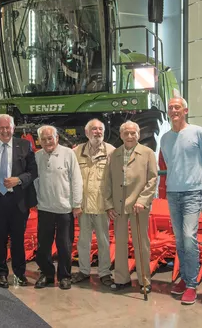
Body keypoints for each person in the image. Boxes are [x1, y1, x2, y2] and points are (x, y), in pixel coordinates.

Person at [160, 97, 202, 305]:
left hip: (193, 192)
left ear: (186, 110)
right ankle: (185, 276)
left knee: (189, 237)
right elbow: (169, 167)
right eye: (171, 108)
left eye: (177, 107)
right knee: (180, 239)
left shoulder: (198, 132)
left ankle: (191, 284)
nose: (173, 110)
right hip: (173, 193)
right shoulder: (164, 139)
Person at [0, 114, 38, 288]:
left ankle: (20, 273)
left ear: (13, 128)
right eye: (1, 128)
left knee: (18, 239)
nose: (5, 131)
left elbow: (33, 171)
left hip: (18, 201)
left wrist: (19, 180)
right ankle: (1, 273)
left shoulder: (24, 145)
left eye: (8, 127)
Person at [105, 120, 158, 294]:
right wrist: (109, 204)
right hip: (119, 205)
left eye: (133, 133)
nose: (129, 136)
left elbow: (152, 179)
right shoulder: (114, 154)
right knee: (119, 242)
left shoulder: (147, 153)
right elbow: (108, 181)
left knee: (141, 242)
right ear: (120, 135)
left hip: (138, 206)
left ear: (138, 135)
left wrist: (142, 200)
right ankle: (121, 279)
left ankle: (144, 279)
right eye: (126, 133)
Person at [33, 125, 83, 290]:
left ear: (57, 138)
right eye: (44, 139)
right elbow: (34, 181)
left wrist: (76, 204)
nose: (47, 142)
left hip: (65, 209)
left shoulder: (68, 154)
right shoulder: (37, 156)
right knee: (43, 245)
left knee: (64, 245)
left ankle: (64, 276)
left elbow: (76, 180)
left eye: (50, 138)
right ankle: (46, 274)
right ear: (39, 141)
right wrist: (34, 201)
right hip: (44, 208)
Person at [71, 119, 115, 287]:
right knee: (83, 241)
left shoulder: (111, 151)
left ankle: (104, 272)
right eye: (93, 129)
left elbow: (114, 179)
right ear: (87, 132)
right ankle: (84, 270)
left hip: (102, 206)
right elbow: (72, 178)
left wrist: (111, 204)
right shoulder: (76, 152)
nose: (97, 132)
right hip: (83, 206)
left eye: (100, 129)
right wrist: (74, 203)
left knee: (104, 241)